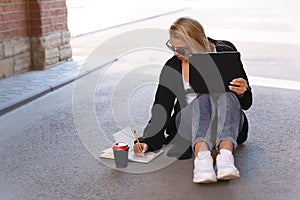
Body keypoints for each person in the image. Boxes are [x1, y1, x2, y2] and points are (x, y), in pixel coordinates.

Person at [133, 17, 252, 183]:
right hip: (190, 121)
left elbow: (246, 103)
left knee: (228, 95)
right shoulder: (173, 66)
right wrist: (147, 140)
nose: (176, 53)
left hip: (226, 118)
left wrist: (243, 91)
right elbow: (162, 107)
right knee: (203, 98)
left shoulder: (225, 51)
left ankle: (226, 158)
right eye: (173, 47)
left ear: (200, 42)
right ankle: (202, 160)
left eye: (182, 49)